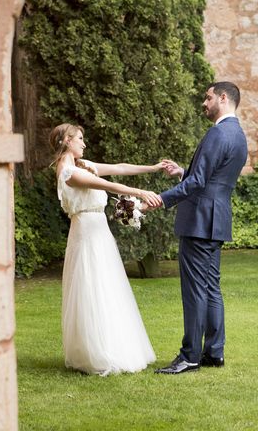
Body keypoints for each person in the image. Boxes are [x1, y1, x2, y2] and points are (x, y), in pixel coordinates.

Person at [49, 123, 162, 376]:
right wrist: (141, 192)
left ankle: (116, 345)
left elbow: (120, 168)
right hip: (86, 235)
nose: (84, 143)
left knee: (108, 287)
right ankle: (96, 352)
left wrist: (153, 168)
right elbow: (109, 186)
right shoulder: (68, 172)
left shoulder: (84, 165)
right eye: (79, 138)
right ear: (66, 141)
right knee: (92, 287)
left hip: (100, 233)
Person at [153, 81, 248, 374]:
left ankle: (190, 355)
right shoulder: (238, 135)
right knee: (210, 288)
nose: (204, 104)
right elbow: (211, 178)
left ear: (223, 97)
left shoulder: (218, 133)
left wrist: (159, 199)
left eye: (207, 98)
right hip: (216, 219)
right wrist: (183, 171)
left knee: (195, 290)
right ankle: (214, 352)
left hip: (199, 221)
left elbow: (198, 184)